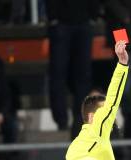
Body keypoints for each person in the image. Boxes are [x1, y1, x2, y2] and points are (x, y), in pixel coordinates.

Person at [46, 0, 99, 139]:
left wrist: (93, 14)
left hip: (82, 22)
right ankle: (61, 119)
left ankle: (79, 119)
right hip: (62, 23)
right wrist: (53, 17)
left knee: (82, 76)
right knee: (59, 74)